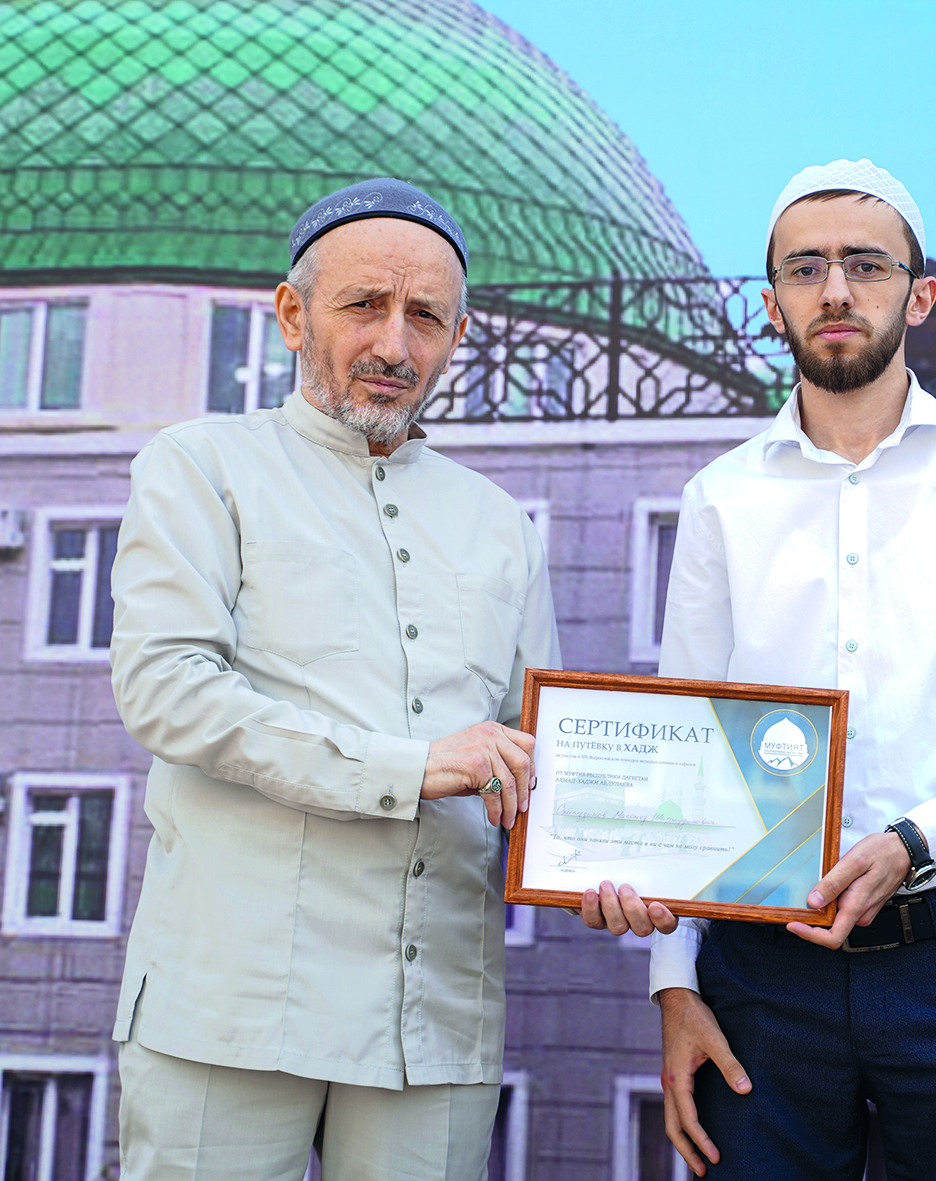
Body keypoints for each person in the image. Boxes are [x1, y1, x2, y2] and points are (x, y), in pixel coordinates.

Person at [583, 159, 936, 1179]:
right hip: (760, 977)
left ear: (919, 295)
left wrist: (912, 844)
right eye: (805, 268)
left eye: (865, 265)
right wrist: (674, 984)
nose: (834, 290)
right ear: (771, 302)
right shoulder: (718, 497)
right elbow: (688, 744)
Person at [107, 178, 561, 1181]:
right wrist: (408, 766)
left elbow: (536, 748)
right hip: (231, 1003)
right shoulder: (202, 465)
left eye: (426, 316)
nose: (394, 343)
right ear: (291, 313)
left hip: (431, 1014)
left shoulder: (499, 523)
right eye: (365, 305)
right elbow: (167, 688)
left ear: (457, 335)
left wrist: (618, 866)